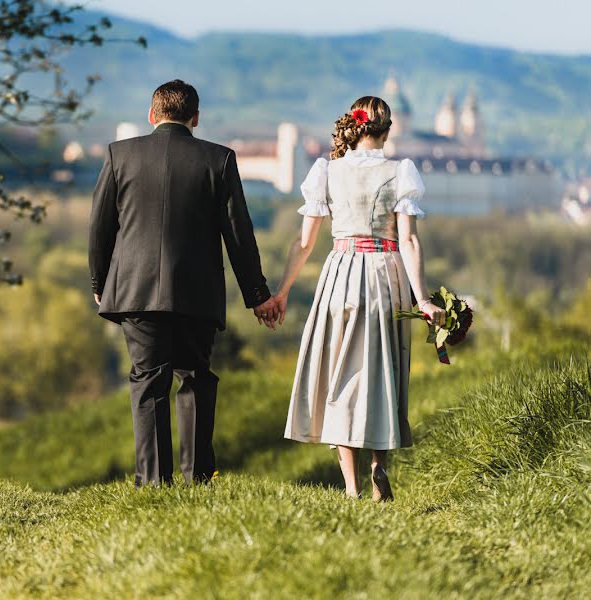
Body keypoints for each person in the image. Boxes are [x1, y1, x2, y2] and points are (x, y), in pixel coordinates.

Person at [88, 80, 279, 487]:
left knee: (148, 380)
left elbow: (99, 226)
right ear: (195, 117)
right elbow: (239, 234)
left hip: (135, 289)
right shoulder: (219, 159)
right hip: (197, 291)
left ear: (152, 114)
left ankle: (154, 481)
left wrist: (99, 281)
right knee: (195, 378)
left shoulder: (119, 155)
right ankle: (197, 480)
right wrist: (257, 295)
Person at [274, 96, 446, 501]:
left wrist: (281, 292)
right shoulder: (401, 171)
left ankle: (351, 488)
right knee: (382, 373)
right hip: (385, 276)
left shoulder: (327, 171)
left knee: (341, 378)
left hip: (341, 275)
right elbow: (407, 240)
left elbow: (303, 243)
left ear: (354, 127)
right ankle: (378, 467)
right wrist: (422, 299)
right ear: (387, 131)